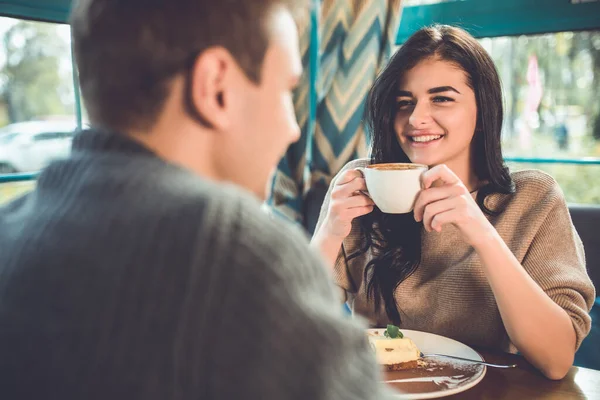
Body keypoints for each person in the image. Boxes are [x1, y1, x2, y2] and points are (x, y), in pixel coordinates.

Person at [0, 1, 395, 398]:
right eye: (286, 91)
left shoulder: (11, 228)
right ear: (215, 87)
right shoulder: (236, 254)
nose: (293, 130)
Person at [312, 25, 596, 380]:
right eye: (404, 102)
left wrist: (480, 232)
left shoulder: (533, 199)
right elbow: (290, 326)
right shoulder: (359, 186)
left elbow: (556, 359)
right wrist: (328, 232)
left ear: (483, 109)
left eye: (441, 98)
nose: (416, 118)